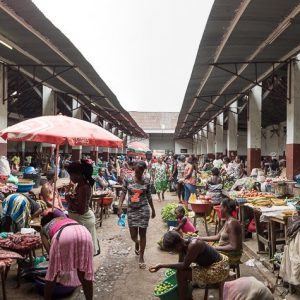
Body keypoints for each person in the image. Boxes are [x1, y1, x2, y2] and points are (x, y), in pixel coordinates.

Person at [149, 231, 229, 300]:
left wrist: (161, 265)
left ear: (177, 245)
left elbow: (184, 265)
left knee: (181, 274)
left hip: (218, 269)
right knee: (180, 273)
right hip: (208, 265)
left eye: (173, 250)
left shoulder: (194, 245)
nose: (173, 252)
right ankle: (187, 297)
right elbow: (181, 263)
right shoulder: (182, 246)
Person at [40, 213, 94, 300]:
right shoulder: (64, 218)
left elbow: (50, 252)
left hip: (63, 235)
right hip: (85, 234)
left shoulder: (44, 228)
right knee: (84, 272)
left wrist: (53, 262)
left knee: (52, 274)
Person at [118, 161, 156, 268]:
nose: (138, 173)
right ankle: (137, 242)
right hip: (132, 209)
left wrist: (153, 209)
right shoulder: (127, 179)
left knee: (143, 233)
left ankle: (141, 257)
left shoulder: (147, 181)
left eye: (141, 172)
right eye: (137, 171)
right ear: (134, 169)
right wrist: (120, 207)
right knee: (133, 235)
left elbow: (149, 196)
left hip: (143, 209)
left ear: (144, 171)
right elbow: (123, 193)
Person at [66, 160, 100, 256]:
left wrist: (69, 200)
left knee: (84, 253)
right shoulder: (80, 186)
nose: (70, 178)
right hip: (81, 220)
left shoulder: (83, 188)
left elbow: (81, 210)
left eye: (71, 175)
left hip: (83, 220)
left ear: (79, 174)